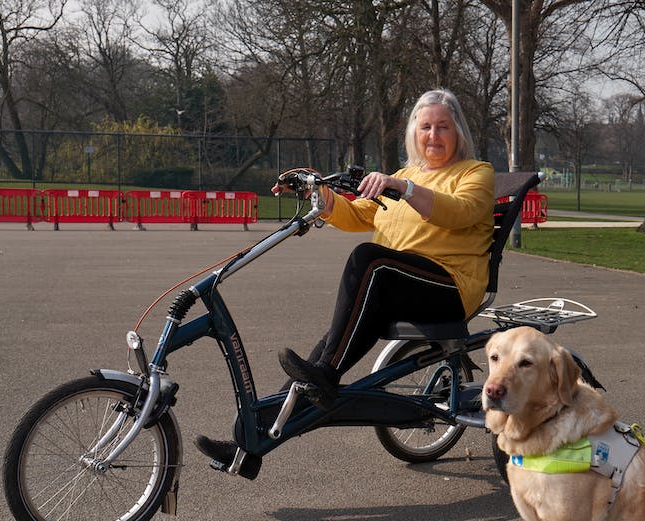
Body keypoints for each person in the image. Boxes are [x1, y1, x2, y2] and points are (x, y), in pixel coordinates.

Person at [195, 88, 496, 473]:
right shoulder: (405, 175)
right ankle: (247, 445)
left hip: (449, 287)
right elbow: (357, 215)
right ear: (414, 133)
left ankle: (324, 377)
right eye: (425, 127)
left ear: (459, 133)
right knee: (324, 353)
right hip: (396, 285)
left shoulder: (475, 173)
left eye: (442, 127)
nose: (433, 136)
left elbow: (458, 212)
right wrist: (316, 190)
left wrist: (405, 188)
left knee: (368, 262)